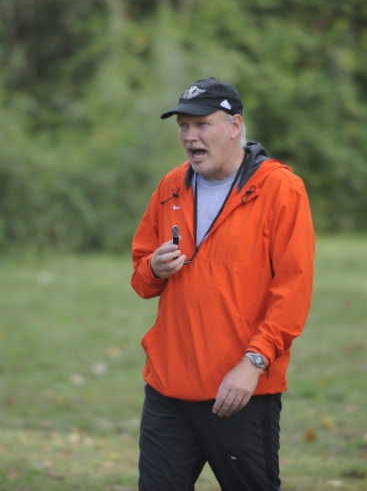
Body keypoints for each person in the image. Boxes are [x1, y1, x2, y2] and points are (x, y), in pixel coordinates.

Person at [130, 77, 315, 490]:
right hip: (168, 389)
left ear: (235, 126)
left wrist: (253, 363)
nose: (189, 137)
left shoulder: (280, 189)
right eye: (183, 126)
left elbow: (293, 292)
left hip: (239, 392)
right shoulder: (170, 187)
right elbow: (141, 279)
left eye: (201, 125)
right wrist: (154, 270)